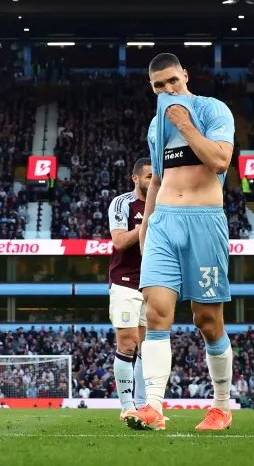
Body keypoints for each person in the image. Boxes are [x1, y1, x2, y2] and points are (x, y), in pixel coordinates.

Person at [127, 53, 236, 432]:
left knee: (207, 321)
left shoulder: (212, 110)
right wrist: (145, 229)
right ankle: (153, 406)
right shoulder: (155, 127)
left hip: (204, 223)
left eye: (172, 80)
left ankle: (221, 407)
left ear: (185, 75)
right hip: (163, 224)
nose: (167, 90)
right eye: (159, 85)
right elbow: (156, 179)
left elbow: (221, 161)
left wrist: (185, 124)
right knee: (155, 312)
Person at [108, 157, 153, 421]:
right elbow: (119, 242)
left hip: (153, 282)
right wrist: (146, 222)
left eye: (154, 176)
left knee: (147, 348)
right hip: (125, 281)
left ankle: (143, 406)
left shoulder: (164, 203)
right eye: (148, 176)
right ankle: (127, 406)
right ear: (135, 178)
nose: (153, 181)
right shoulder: (122, 203)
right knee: (127, 343)